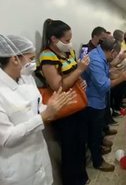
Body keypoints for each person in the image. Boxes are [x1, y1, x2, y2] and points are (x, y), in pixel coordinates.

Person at [0, 34, 74, 185]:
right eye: (31, 58)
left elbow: (38, 108)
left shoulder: (27, 78)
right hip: (17, 166)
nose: (34, 63)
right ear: (15, 59)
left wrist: (54, 108)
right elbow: (6, 137)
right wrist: (45, 114)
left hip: (39, 155)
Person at [37, 19, 90, 185]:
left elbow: (73, 74)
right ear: (54, 39)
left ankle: (82, 177)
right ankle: (74, 181)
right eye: (66, 40)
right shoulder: (47, 56)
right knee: (69, 148)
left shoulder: (69, 52)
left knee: (81, 142)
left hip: (78, 103)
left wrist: (81, 79)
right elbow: (57, 86)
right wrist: (80, 70)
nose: (69, 43)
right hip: (64, 107)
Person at [82, 37, 126, 172]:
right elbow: (103, 86)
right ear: (113, 52)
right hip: (92, 102)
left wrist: (116, 74)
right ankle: (98, 161)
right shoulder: (96, 60)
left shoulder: (100, 55)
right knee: (93, 132)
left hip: (98, 100)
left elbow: (105, 74)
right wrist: (122, 78)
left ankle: (98, 147)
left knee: (97, 130)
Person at [110, 30, 126, 118]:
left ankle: (119, 104)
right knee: (116, 93)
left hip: (122, 73)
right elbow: (112, 62)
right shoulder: (114, 47)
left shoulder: (119, 46)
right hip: (116, 75)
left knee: (122, 91)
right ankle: (116, 107)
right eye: (122, 37)